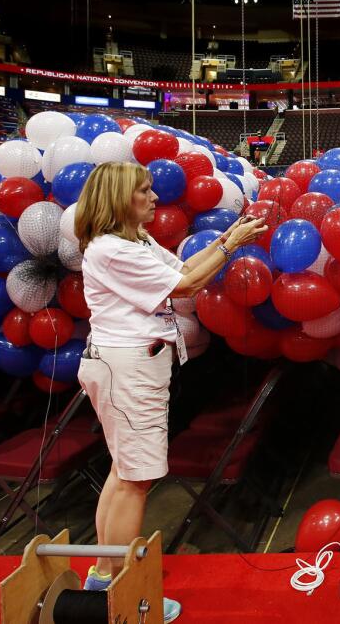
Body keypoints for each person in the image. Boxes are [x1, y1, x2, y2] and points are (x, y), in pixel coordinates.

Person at [72, 161, 266, 622]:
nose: (155, 198)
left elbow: (180, 268)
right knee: (136, 479)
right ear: (121, 199)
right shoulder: (112, 250)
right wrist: (233, 245)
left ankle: (103, 578)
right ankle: (118, 590)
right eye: (144, 191)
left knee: (125, 474)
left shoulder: (133, 240)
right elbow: (186, 286)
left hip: (132, 365)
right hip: (127, 368)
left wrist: (224, 240)